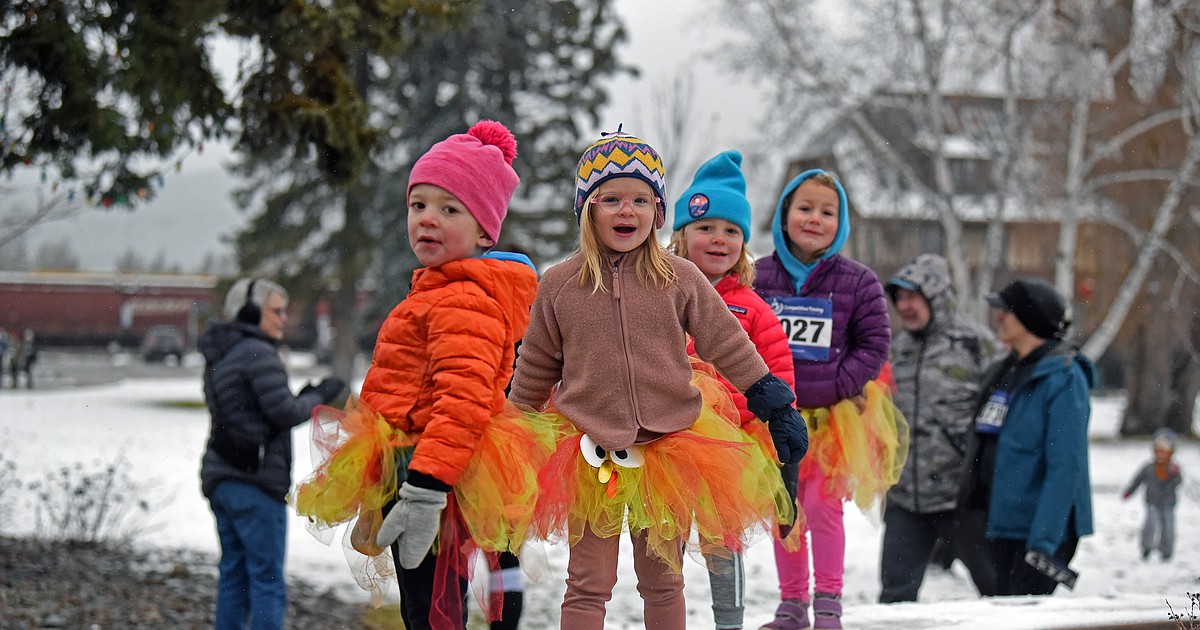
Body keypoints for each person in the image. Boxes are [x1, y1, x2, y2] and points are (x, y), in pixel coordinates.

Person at [509, 127, 808, 630]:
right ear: (587, 209)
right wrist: (514, 431)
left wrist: (771, 399)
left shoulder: (679, 277)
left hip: (669, 449)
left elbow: (726, 341)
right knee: (587, 584)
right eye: (611, 200)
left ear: (658, 211)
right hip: (588, 453)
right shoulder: (560, 283)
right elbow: (537, 365)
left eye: (641, 200)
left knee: (663, 580)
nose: (628, 212)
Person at [292, 121, 545, 629]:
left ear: (483, 231)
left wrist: (425, 488)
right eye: (418, 205)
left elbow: (462, 401)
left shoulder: (464, 300)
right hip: (416, 462)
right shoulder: (436, 290)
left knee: (431, 607)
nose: (428, 219)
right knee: (427, 602)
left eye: (450, 209)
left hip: (434, 472)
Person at [753, 169, 904, 630]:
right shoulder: (758, 274)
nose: (815, 218)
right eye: (804, 208)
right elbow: (742, 334)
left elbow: (875, 342)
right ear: (783, 215)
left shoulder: (859, 282)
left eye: (828, 211)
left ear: (842, 222)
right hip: (777, 418)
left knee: (822, 506)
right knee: (785, 506)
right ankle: (793, 603)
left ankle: (829, 603)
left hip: (835, 419)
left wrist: (841, 383)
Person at [668, 150, 797, 630]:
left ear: (743, 245)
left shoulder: (753, 309)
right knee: (665, 543)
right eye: (705, 228)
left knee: (724, 545)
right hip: (669, 444)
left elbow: (777, 373)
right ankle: (667, 616)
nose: (718, 239)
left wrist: (775, 427)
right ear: (682, 237)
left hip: (731, 447)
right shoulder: (661, 297)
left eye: (732, 231)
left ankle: (730, 622)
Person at [199, 277, 347, 630]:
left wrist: (304, 395)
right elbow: (283, 412)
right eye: (277, 311)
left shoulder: (222, 350)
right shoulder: (258, 352)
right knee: (266, 580)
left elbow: (252, 411)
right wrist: (321, 394)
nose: (284, 319)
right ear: (251, 312)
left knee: (234, 577)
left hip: (222, 478)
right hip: (254, 482)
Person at [957, 277, 1094, 596]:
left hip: (1037, 532)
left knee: (1024, 619)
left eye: (1007, 311)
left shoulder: (1064, 377)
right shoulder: (1004, 370)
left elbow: (1065, 465)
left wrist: (1044, 541)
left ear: (1031, 318)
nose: (999, 318)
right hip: (999, 524)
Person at [878, 253, 999, 603]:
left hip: (962, 496)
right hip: (906, 499)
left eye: (914, 296)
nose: (905, 306)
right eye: (900, 298)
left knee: (998, 593)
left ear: (937, 296)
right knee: (894, 598)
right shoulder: (896, 350)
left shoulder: (976, 343)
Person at [1123, 428, 1183, 562]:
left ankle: (1166, 551)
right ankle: (1146, 548)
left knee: (1168, 527)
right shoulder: (1149, 468)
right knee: (1150, 524)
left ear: (1171, 453)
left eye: (1164, 452)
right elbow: (1137, 480)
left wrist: (1174, 474)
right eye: (1158, 451)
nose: (1160, 455)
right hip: (1152, 501)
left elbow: (1179, 482)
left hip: (1168, 503)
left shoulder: (1173, 469)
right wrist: (1129, 492)